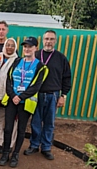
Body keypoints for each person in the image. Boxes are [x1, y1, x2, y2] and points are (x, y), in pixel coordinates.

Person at [0, 37, 48, 167]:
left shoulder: (41, 67)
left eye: (30, 47)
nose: (27, 49)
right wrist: (13, 95)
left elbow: (36, 86)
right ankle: (5, 153)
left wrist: (21, 97)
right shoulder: (16, 61)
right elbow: (8, 80)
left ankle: (15, 155)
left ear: (35, 48)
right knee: (8, 128)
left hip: (26, 102)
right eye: (25, 46)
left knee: (21, 130)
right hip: (11, 100)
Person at [24, 30, 71, 160]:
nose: (48, 42)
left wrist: (63, 96)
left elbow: (67, 78)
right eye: (46, 39)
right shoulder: (35, 55)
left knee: (49, 123)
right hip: (37, 94)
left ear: (55, 41)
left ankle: (46, 147)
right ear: (42, 41)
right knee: (35, 121)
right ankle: (34, 145)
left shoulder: (61, 58)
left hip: (53, 94)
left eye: (51, 39)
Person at [0, 38, 18, 154]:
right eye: (8, 45)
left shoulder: (18, 61)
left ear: (15, 48)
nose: (10, 47)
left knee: (13, 121)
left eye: (12, 46)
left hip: (12, 95)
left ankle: (10, 144)